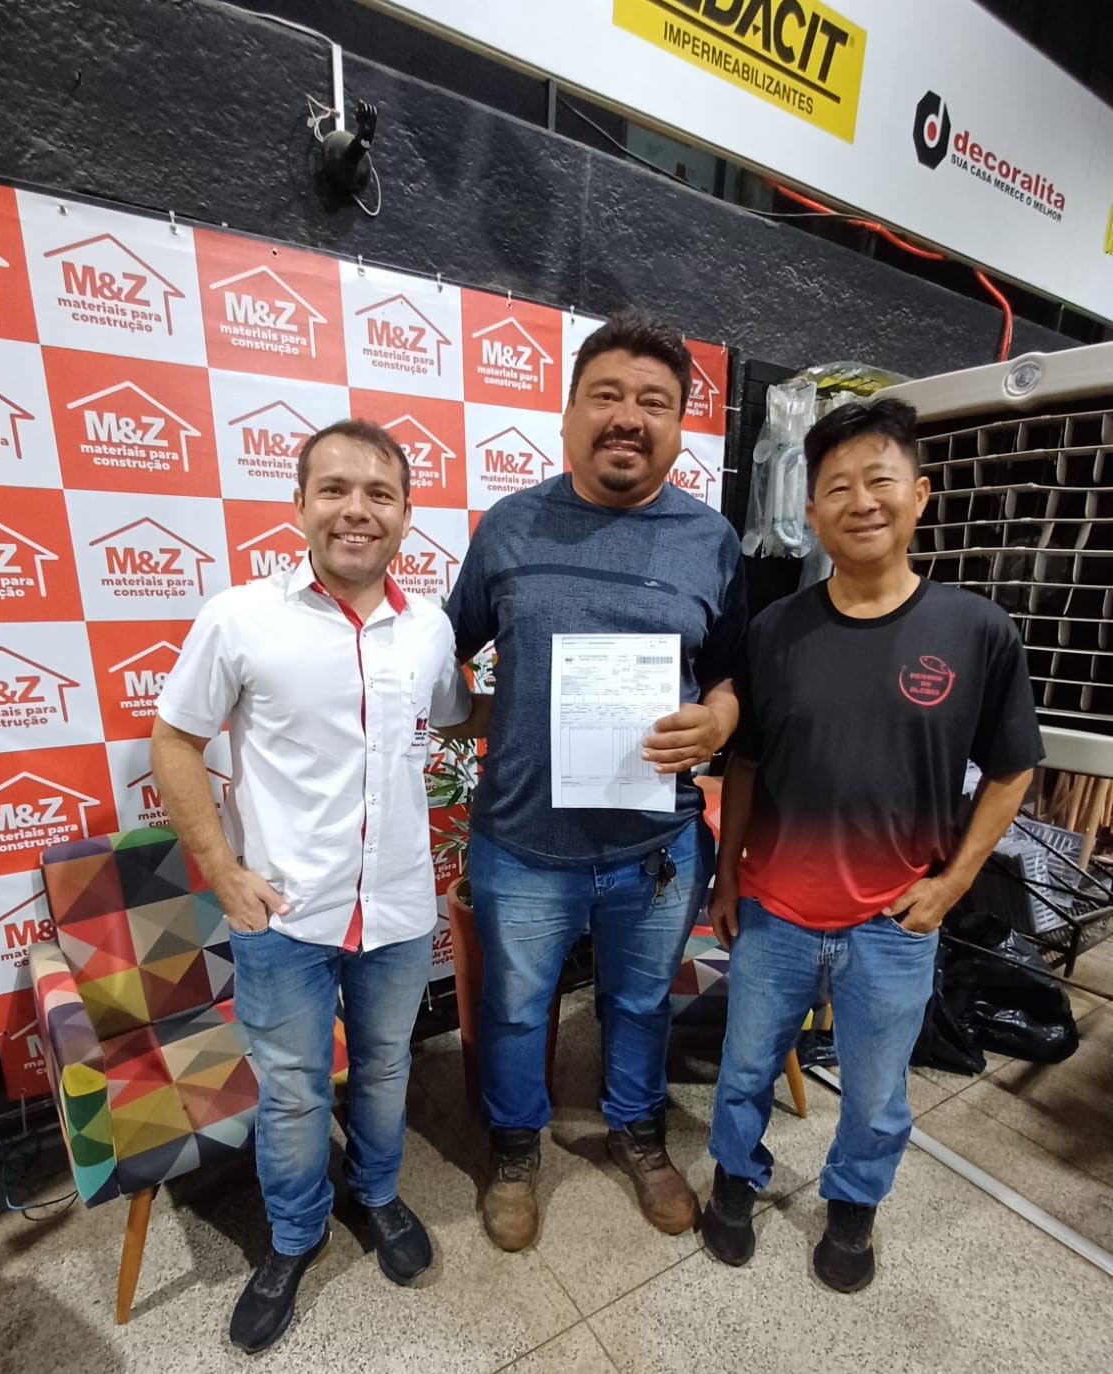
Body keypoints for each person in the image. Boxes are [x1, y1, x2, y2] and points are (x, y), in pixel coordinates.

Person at [151, 419, 478, 1354]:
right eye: (334, 489)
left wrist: (575, 700)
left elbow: (456, 715)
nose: (356, 510)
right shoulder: (240, 617)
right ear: (299, 505)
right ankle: (293, 1238)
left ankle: (375, 1195)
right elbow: (173, 741)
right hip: (285, 913)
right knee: (293, 1092)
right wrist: (222, 871)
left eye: (379, 494)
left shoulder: (430, 628)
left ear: (407, 515)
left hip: (400, 908)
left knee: (385, 1067)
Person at [702, 397, 1043, 1292]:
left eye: (879, 480)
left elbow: (1012, 771)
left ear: (919, 495)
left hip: (894, 921)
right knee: (743, 1068)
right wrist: (728, 879)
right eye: (837, 486)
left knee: (880, 1091)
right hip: (774, 910)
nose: (860, 501)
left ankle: (853, 1206)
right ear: (811, 510)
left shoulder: (976, 631)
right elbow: (745, 763)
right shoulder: (776, 631)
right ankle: (734, 1178)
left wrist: (951, 886)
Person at [446, 311, 747, 1251]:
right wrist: (493, 715)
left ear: (680, 426)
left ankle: (637, 1132)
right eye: (606, 395)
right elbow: (441, 654)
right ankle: (514, 1150)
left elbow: (731, 675)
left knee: (641, 1003)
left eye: (655, 402)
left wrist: (720, 719)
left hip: (654, 847)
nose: (628, 416)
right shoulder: (509, 527)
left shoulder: (709, 538)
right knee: (514, 1009)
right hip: (522, 845)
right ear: (569, 413)